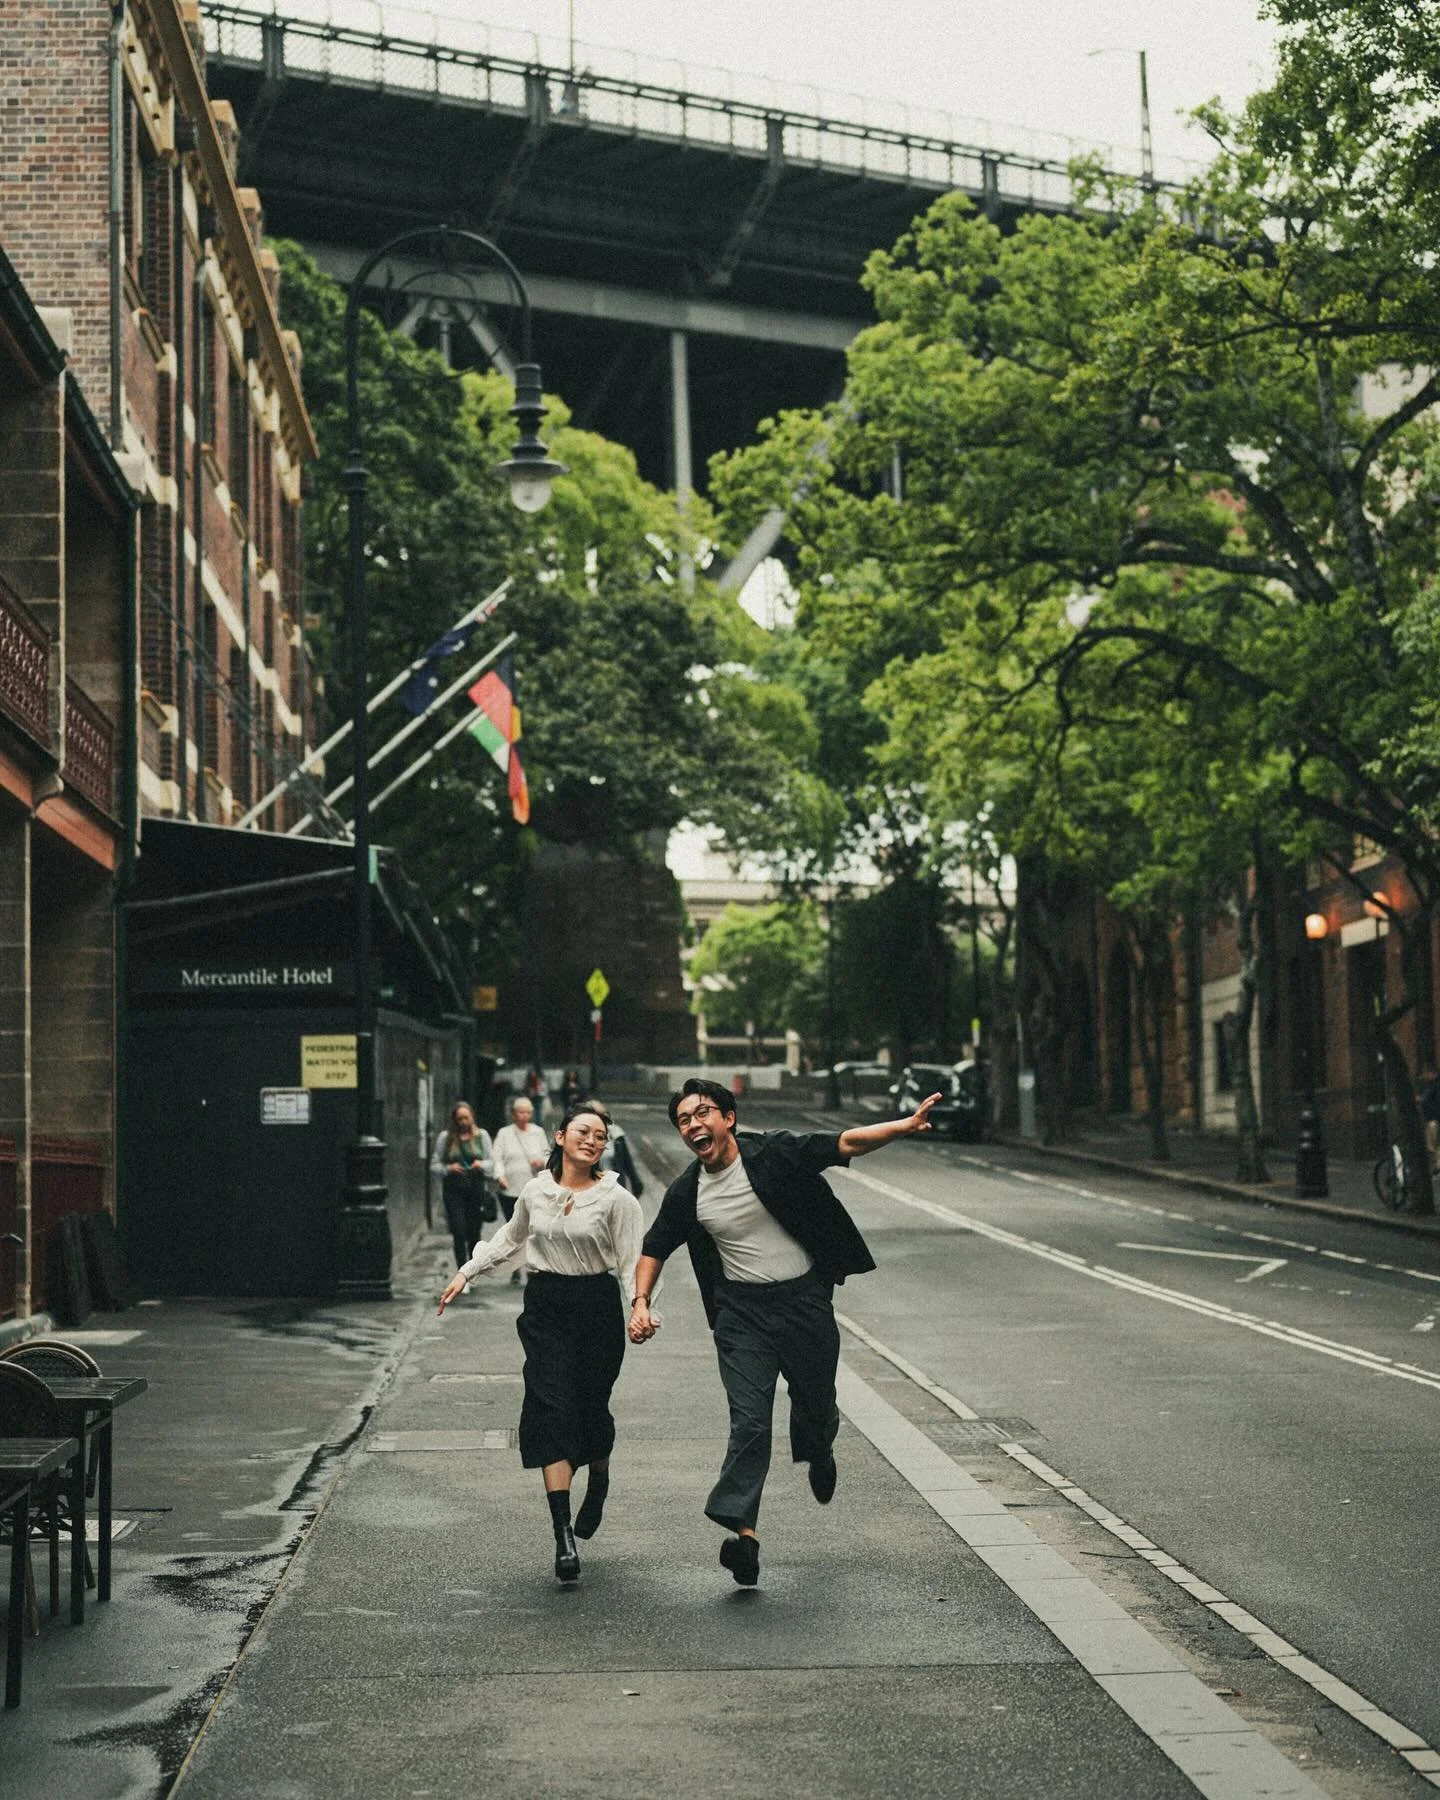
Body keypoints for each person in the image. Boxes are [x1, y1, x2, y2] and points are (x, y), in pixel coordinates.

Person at [628, 1077, 938, 1588]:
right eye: (683, 1120)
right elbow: (654, 1248)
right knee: (749, 1422)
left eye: (702, 1112)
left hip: (802, 1304)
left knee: (816, 1399)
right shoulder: (689, 1191)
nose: (693, 1125)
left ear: (728, 1118)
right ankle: (743, 1536)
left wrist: (905, 1126)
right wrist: (640, 1303)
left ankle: (818, 1446)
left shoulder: (774, 1155)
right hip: (741, 1316)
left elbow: (844, 1143)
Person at [437, 1104, 653, 1585]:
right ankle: (563, 1536)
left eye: (601, 1135)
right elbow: (510, 1240)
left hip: (596, 1307)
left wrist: (639, 1306)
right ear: (559, 1136)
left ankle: (598, 1479)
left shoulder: (619, 1200)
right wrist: (466, 1272)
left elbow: (630, 1261)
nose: (592, 1140)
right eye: (583, 1131)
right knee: (550, 1408)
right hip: (546, 1306)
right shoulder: (535, 1192)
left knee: (591, 1409)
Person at [493, 1095, 552, 1283]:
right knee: (514, 1229)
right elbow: (497, 1158)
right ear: (513, 1114)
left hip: (533, 1188)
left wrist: (541, 1162)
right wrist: (500, 1176)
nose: (524, 1116)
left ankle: (531, 1265)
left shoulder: (538, 1132)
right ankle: (515, 1267)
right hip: (510, 1188)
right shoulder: (504, 1133)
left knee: (532, 1228)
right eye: (521, 1112)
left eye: (528, 1112)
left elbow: (549, 1157)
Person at [430, 1101, 495, 1271]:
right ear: (454, 1120)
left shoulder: (482, 1136)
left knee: (474, 1231)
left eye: (466, 1118)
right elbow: (434, 1165)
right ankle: (462, 1270)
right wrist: (448, 1168)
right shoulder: (446, 1137)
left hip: (475, 1187)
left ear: (472, 1117)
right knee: (458, 1231)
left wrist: (480, 1164)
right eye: (459, 1119)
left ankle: (472, 1271)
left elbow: (492, 1163)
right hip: (453, 1189)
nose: (463, 1122)